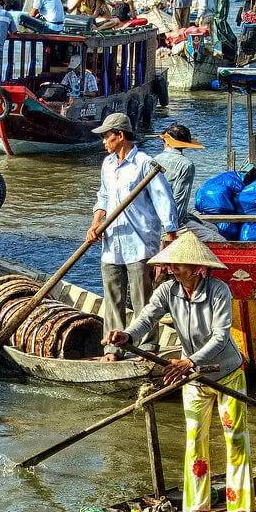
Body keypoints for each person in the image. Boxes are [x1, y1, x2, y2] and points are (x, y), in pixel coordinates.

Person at [104, 232, 251, 512]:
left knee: (234, 437)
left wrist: (189, 361)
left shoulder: (218, 290)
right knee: (194, 440)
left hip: (227, 373)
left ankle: (241, 503)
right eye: (172, 264)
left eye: (181, 264)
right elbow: (147, 317)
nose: (174, 269)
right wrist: (128, 335)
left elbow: (222, 337)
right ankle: (199, 506)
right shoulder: (168, 290)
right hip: (193, 379)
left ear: (198, 267)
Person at [86, 112, 178, 362]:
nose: (104, 141)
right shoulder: (107, 164)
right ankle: (112, 349)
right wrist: (96, 222)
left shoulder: (145, 164)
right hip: (112, 242)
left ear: (121, 136)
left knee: (142, 300)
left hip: (139, 243)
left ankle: (146, 348)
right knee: (113, 298)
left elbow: (163, 200)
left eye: (107, 136)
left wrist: (169, 235)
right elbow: (103, 196)